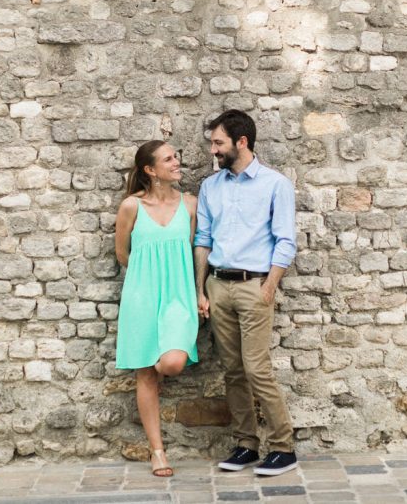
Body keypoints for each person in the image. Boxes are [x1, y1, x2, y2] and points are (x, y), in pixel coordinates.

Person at [194, 109, 298, 476]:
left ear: (242, 142)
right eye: (212, 143)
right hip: (217, 286)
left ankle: (284, 447)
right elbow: (203, 240)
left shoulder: (275, 184)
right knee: (233, 371)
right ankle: (245, 444)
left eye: (218, 142)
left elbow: (286, 241)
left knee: (257, 369)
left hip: (255, 286)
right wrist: (200, 290)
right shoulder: (211, 186)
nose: (213, 150)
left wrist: (269, 287)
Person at [115, 140, 199, 478]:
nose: (177, 162)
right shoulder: (130, 207)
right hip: (142, 296)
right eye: (169, 159)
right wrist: (142, 285)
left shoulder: (190, 205)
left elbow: (195, 251)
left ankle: (160, 362)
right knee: (146, 374)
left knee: (172, 362)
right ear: (150, 170)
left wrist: (199, 293)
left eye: (176, 155)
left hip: (180, 295)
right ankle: (158, 452)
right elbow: (123, 254)